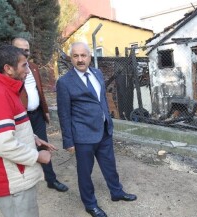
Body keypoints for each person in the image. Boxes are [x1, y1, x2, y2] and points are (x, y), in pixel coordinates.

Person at [56, 42, 137, 217]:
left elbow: (101, 101)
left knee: (110, 166)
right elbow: (64, 114)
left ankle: (117, 192)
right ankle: (90, 204)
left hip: (104, 131)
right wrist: (68, 141)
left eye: (83, 55)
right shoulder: (64, 82)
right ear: (71, 59)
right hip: (83, 135)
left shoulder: (97, 73)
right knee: (85, 173)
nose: (80, 59)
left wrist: (108, 121)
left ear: (89, 56)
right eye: (75, 56)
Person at [0, 45, 57, 217]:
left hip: (18, 177)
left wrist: (32, 137)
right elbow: (2, 145)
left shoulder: (7, 91)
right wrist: (37, 156)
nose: (28, 70)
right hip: (13, 181)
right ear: (8, 69)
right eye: (24, 65)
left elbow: (11, 128)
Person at [12, 37, 69, 192]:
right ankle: (24, 181)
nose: (25, 52)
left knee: (43, 145)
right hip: (20, 117)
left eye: (27, 49)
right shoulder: (11, 71)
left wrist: (45, 110)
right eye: (20, 49)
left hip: (36, 115)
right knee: (22, 146)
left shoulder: (34, 67)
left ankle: (51, 179)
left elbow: (39, 91)